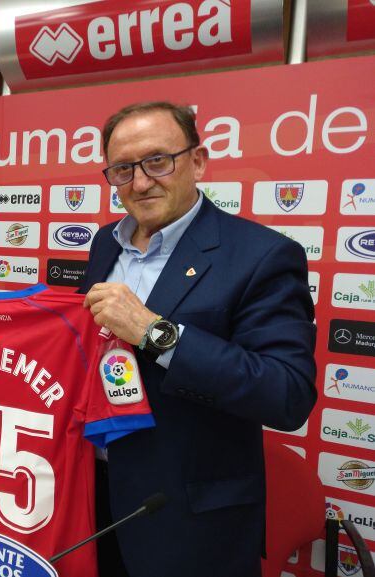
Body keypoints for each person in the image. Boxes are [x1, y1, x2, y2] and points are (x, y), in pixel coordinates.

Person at [81, 102, 317, 577]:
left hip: (190, 523)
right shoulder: (105, 242)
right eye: (123, 169)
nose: (141, 182)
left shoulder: (263, 255)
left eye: (157, 161)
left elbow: (287, 393)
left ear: (198, 161)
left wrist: (156, 333)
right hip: (92, 499)